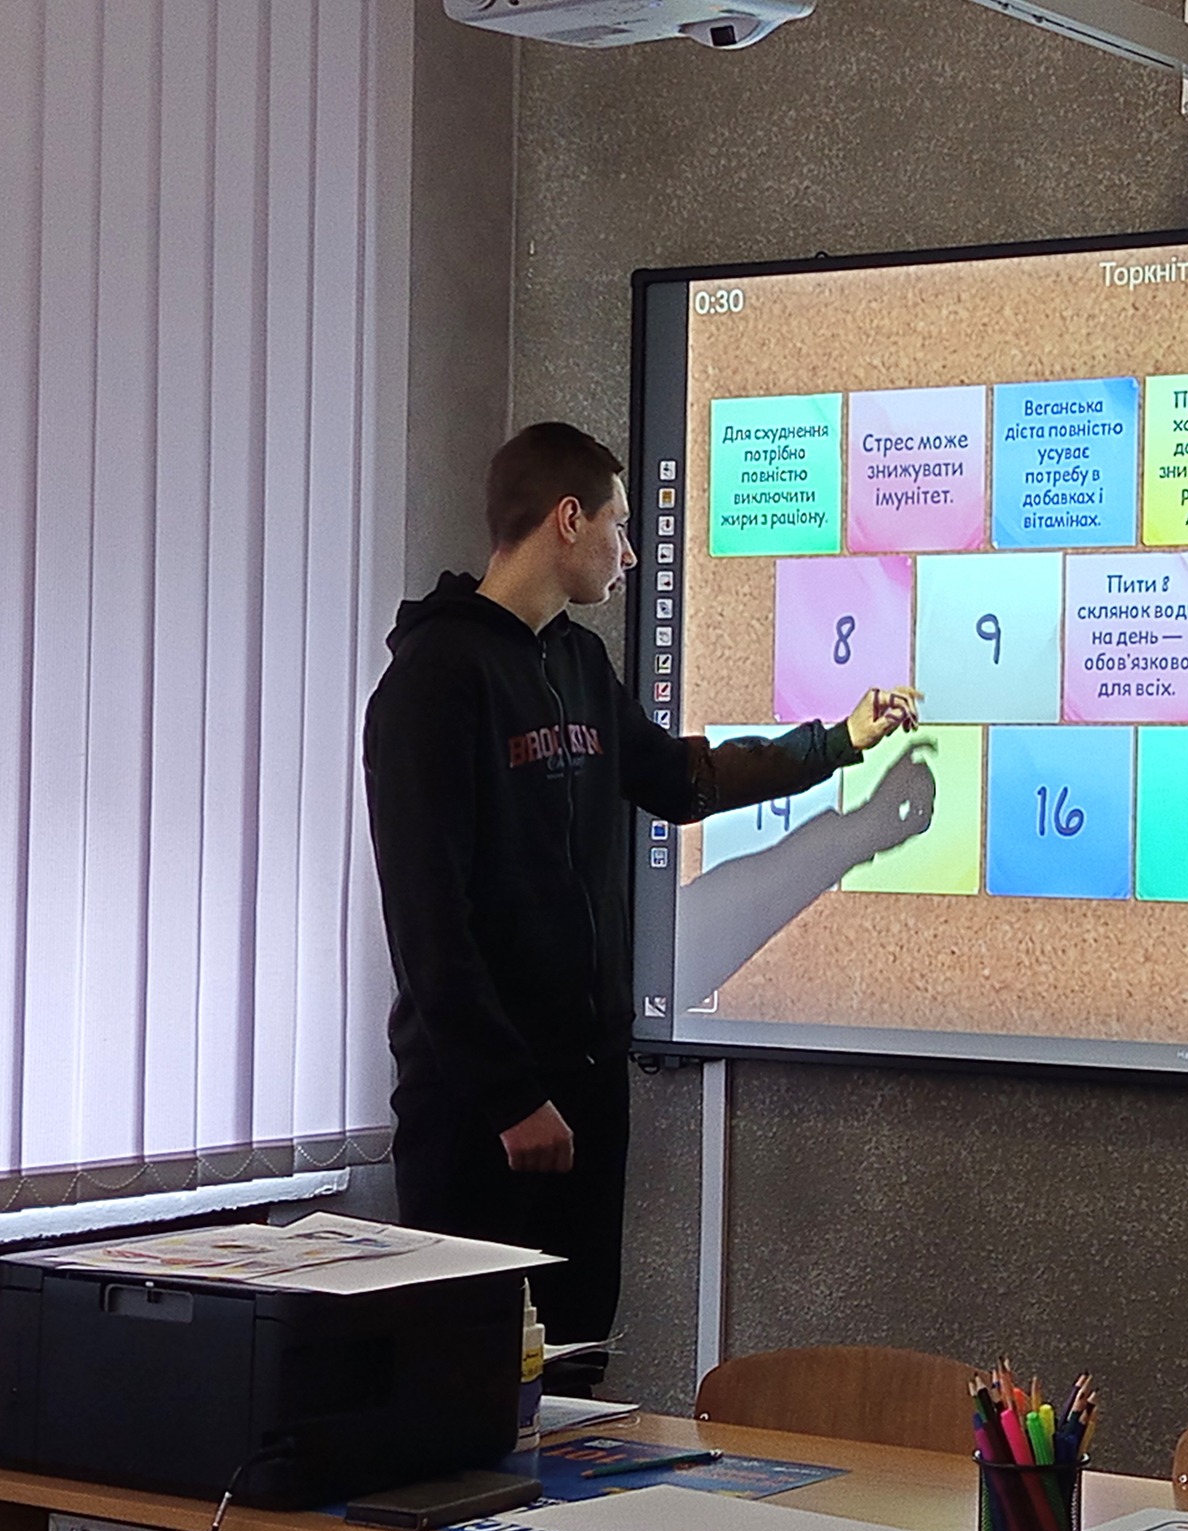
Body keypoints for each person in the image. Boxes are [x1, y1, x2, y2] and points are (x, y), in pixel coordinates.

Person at [362, 422, 916, 1351]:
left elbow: (678, 777)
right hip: (479, 1114)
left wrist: (834, 745)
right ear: (566, 520)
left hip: (585, 1093)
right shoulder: (434, 681)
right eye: (618, 526)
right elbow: (428, 927)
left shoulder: (578, 664)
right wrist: (509, 1098)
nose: (628, 554)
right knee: (472, 1370)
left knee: (577, 1360)